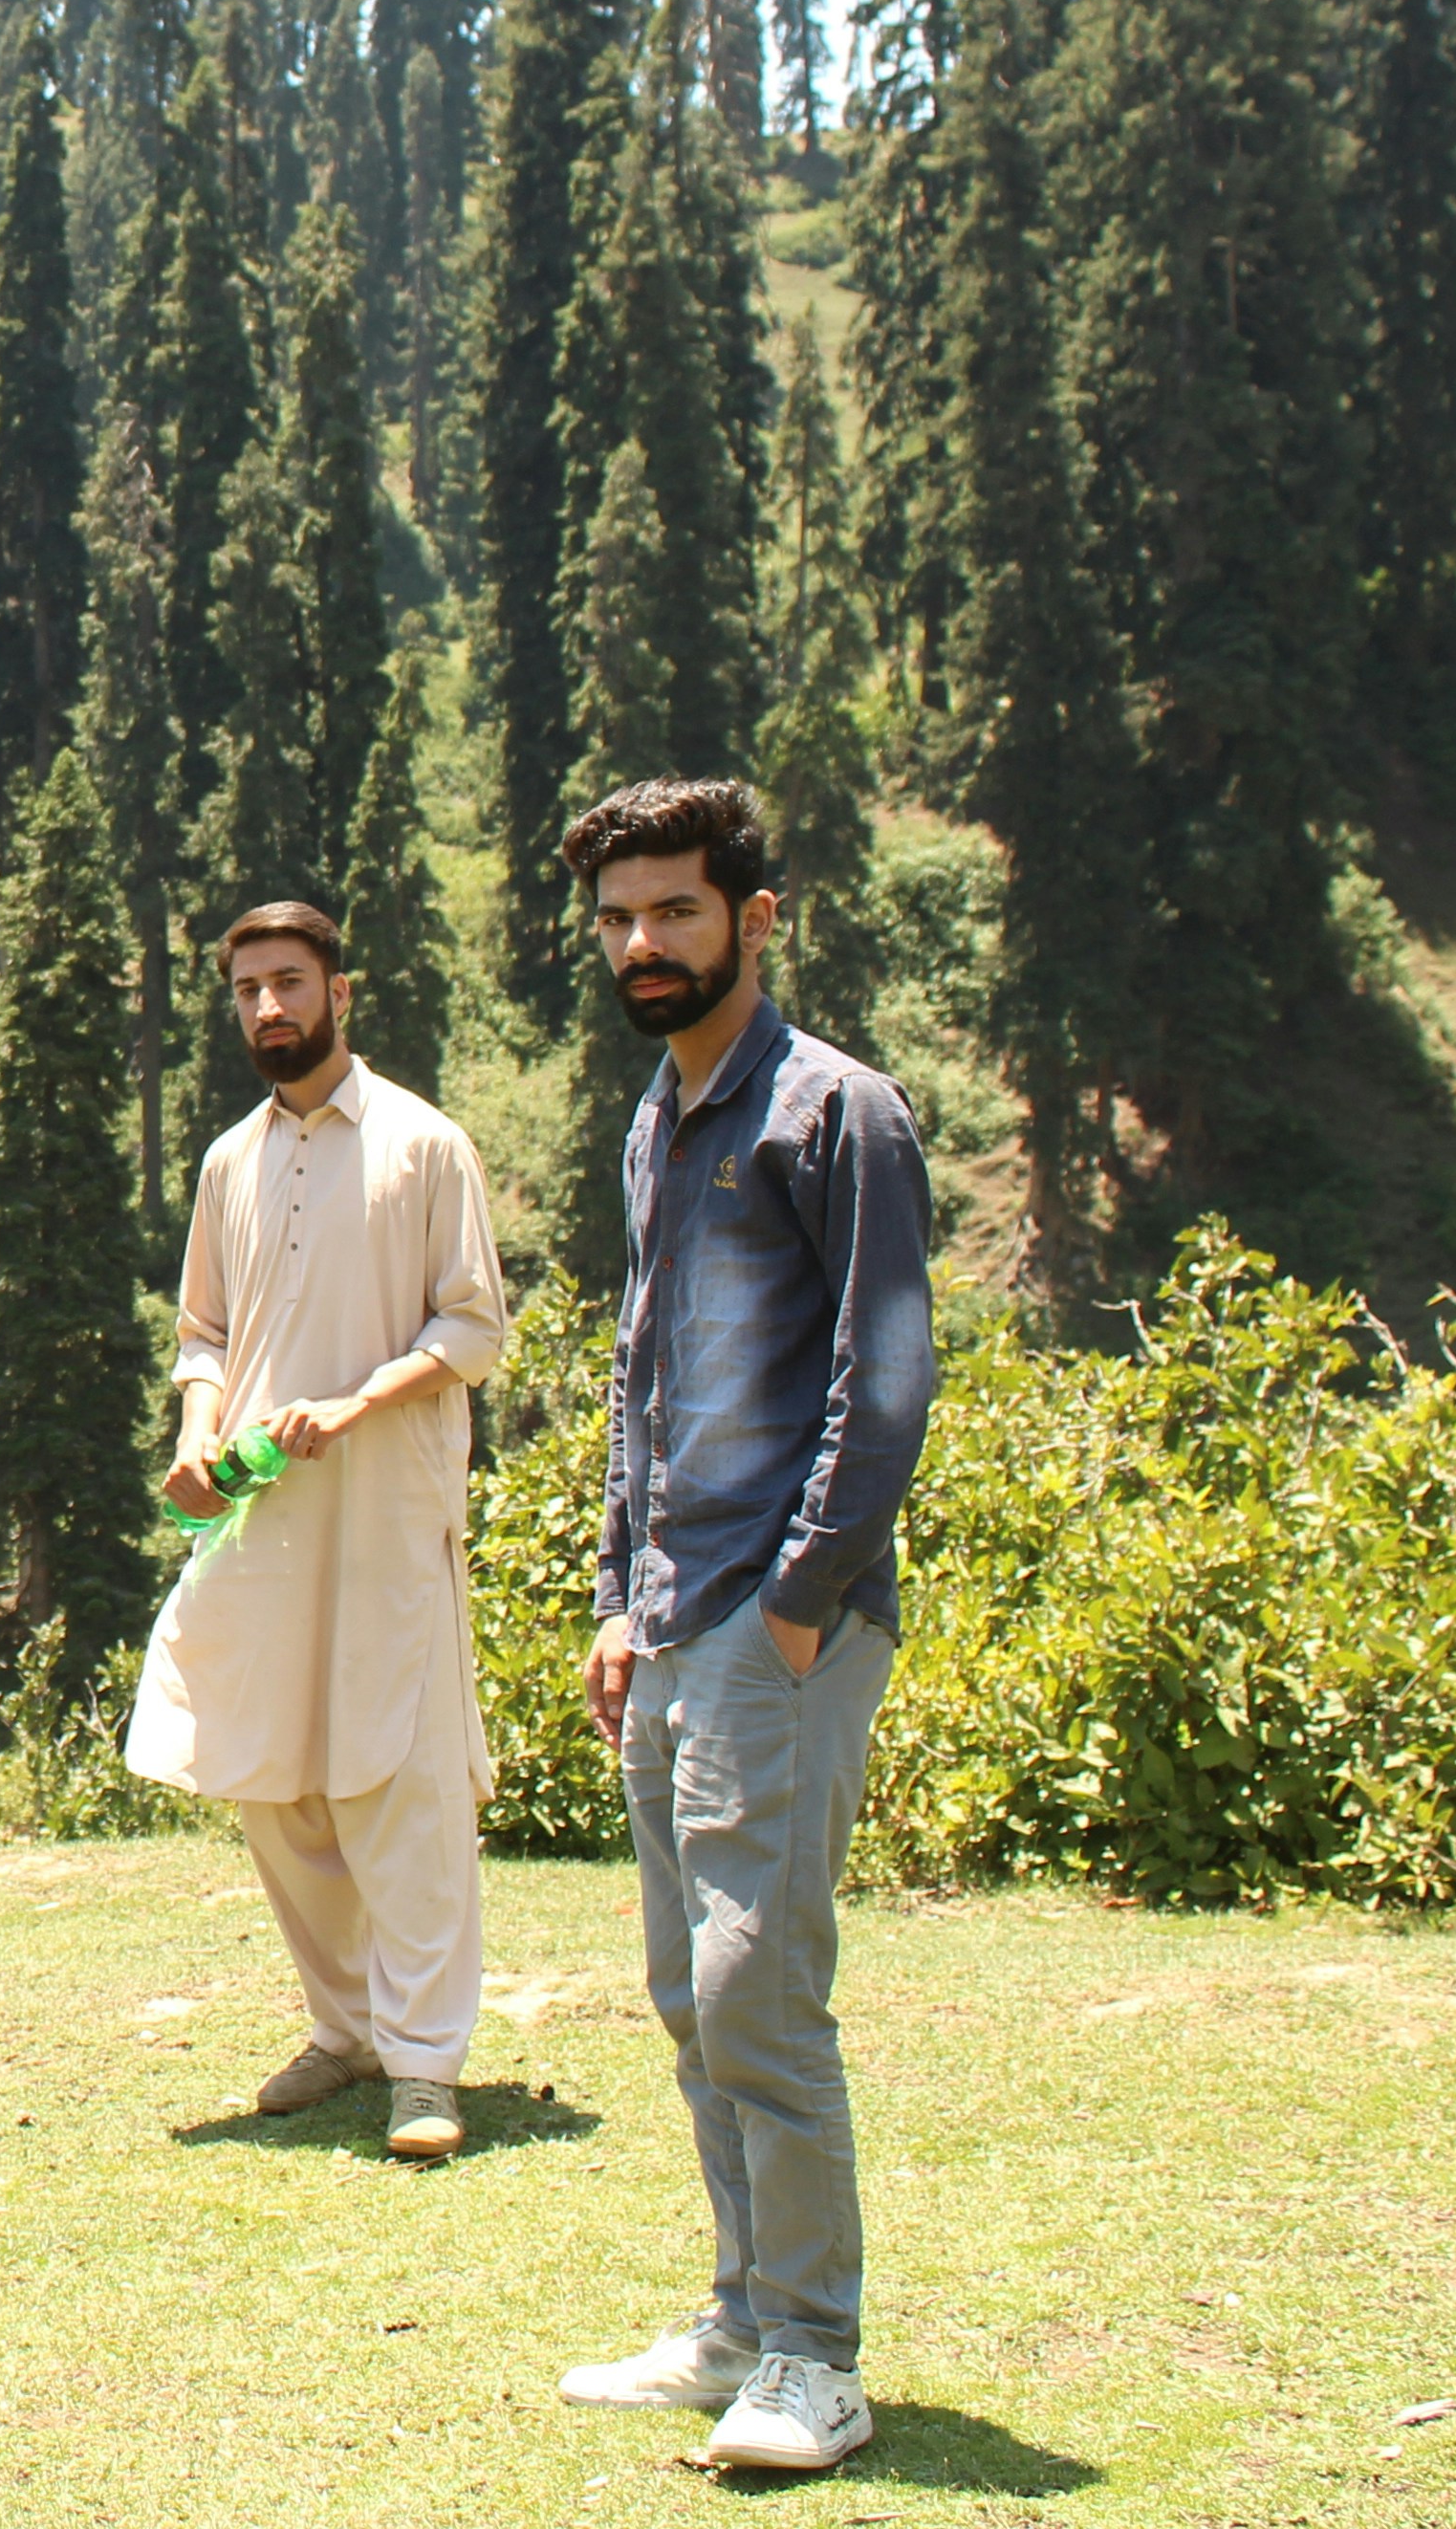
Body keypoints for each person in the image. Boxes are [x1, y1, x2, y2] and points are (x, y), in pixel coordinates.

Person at [553, 778, 933, 2478]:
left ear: (751, 918)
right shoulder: (659, 1114)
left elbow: (884, 1381)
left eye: (675, 914)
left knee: (755, 1984)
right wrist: (619, 1593)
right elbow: (644, 1380)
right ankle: (735, 2320)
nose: (642, 944)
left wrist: (793, 1601)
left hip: (777, 1624)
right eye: (620, 917)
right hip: (672, 1614)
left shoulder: (832, 1115)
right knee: (682, 1991)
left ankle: (814, 2358)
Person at [124, 903, 512, 2162]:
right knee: (272, 1776)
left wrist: (355, 1402)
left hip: (391, 1507)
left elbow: (473, 1330)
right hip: (260, 1515)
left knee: (400, 1778)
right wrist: (198, 1433)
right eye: (247, 991)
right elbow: (207, 1334)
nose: (267, 1010)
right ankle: (343, 2030)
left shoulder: (423, 1144)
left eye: (289, 984)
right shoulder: (231, 1162)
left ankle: (425, 2064)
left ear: (343, 987)